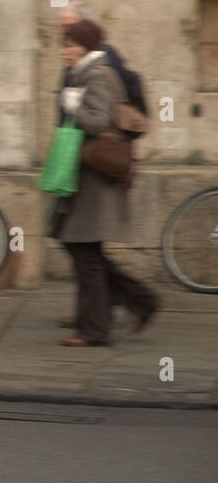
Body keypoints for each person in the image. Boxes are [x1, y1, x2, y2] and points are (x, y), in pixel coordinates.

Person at [49, 19, 157, 345]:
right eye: (64, 44)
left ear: (86, 48)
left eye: (70, 44)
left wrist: (74, 106)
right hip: (84, 179)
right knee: (81, 248)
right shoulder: (89, 74)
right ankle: (140, 302)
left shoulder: (97, 76)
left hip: (93, 183)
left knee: (85, 253)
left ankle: (95, 330)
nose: (64, 51)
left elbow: (96, 123)